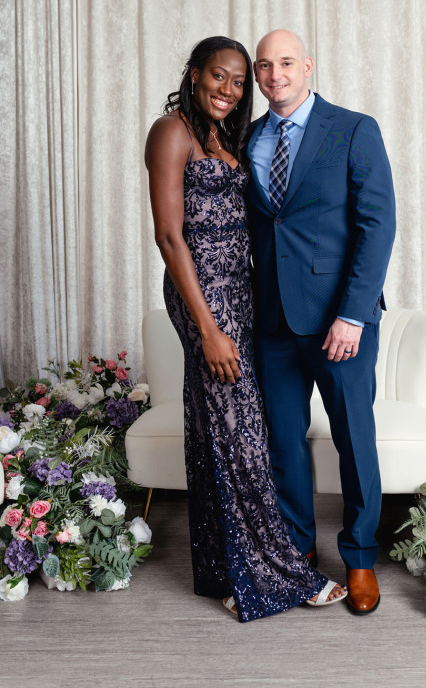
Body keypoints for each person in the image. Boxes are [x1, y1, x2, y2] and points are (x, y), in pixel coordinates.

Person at [145, 36, 346, 622]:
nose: (229, 90)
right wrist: (208, 329)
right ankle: (278, 575)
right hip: (204, 297)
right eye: (219, 76)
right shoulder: (171, 132)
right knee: (241, 438)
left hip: (242, 292)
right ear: (194, 73)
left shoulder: (222, 135)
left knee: (222, 428)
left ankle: (225, 571)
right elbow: (169, 237)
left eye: (238, 81)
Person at [247, 29, 396, 615]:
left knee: (353, 439)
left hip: (341, 321)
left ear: (307, 66)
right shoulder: (249, 138)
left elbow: (377, 226)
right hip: (273, 322)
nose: (275, 75)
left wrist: (353, 315)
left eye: (286, 62)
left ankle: (359, 558)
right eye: (264, 65)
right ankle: (297, 552)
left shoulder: (353, 128)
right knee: (282, 441)